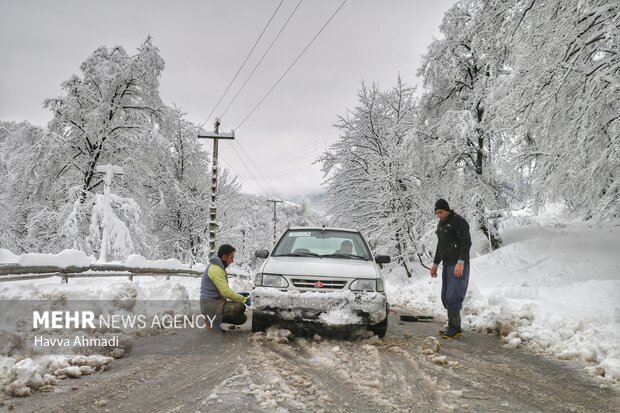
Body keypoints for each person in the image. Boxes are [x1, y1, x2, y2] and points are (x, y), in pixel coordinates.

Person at [430, 199, 472, 339]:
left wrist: (461, 262)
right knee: (446, 296)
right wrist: (435, 264)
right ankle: (453, 325)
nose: (438, 215)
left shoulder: (459, 222)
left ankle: (455, 327)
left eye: (440, 212)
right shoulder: (441, 224)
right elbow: (440, 245)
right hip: (447, 264)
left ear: (447, 210)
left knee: (454, 295)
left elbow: (466, 243)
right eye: (436, 213)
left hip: (458, 264)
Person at [200, 244, 250, 331]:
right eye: (231, 258)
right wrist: (244, 299)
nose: (232, 261)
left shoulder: (218, 267)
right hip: (209, 305)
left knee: (242, 318)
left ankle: (213, 319)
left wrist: (239, 295)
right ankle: (211, 320)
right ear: (223, 257)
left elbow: (222, 291)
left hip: (214, 303)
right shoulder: (216, 269)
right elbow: (225, 292)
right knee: (240, 307)